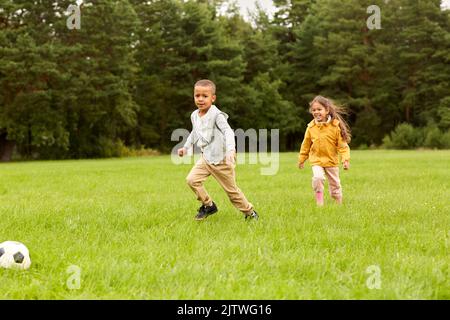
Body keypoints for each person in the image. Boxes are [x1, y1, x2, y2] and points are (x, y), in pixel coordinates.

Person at [178, 79, 259, 221]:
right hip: (206, 158)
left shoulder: (217, 115)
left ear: (213, 98)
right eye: (197, 96)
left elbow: (228, 132)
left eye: (205, 96)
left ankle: (250, 213)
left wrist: (230, 150)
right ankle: (208, 205)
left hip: (222, 160)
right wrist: (185, 147)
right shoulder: (194, 115)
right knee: (192, 180)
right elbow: (195, 132)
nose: (201, 99)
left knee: (232, 193)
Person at [298, 95, 351, 205]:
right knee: (317, 178)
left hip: (331, 161)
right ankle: (319, 203)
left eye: (319, 109)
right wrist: (302, 159)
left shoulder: (335, 126)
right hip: (316, 160)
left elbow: (342, 146)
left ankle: (338, 204)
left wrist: (345, 160)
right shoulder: (311, 127)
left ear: (327, 110)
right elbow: (306, 144)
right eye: (313, 110)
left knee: (335, 185)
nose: (316, 112)